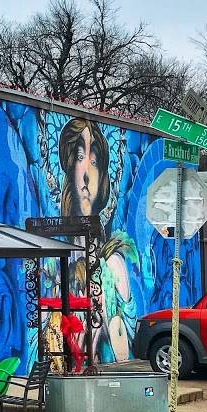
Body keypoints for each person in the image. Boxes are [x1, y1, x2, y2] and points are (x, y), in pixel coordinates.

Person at [57, 118, 137, 363]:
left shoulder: (113, 264)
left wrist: (108, 324)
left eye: (94, 162)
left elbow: (125, 348)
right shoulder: (55, 259)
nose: (87, 175)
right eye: (80, 158)